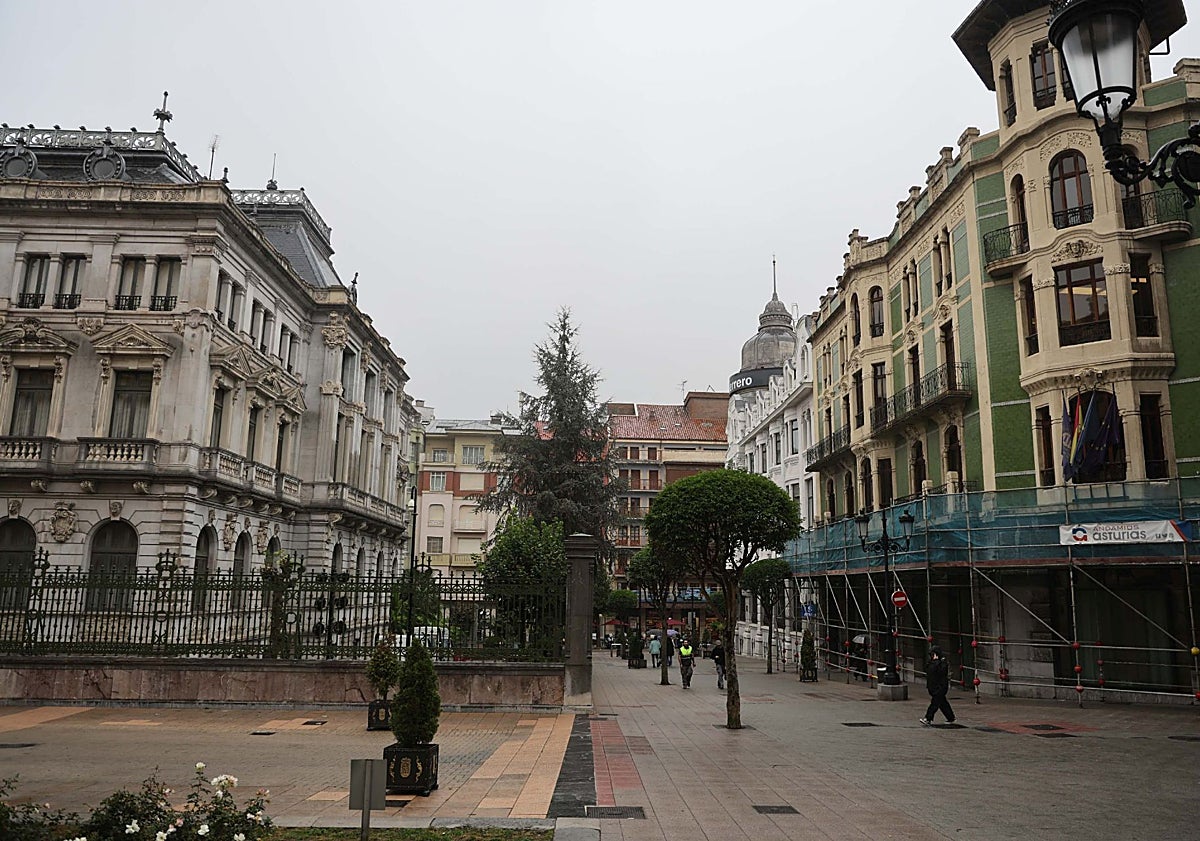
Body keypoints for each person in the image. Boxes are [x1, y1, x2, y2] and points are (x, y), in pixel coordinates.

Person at [920, 645, 956, 726]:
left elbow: (940, 671)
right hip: (933, 686)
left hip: (940, 687)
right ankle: (951, 717)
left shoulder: (942, 663)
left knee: (934, 704)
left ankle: (928, 718)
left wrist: (936, 661)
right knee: (943, 703)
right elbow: (929, 669)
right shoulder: (931, 663)